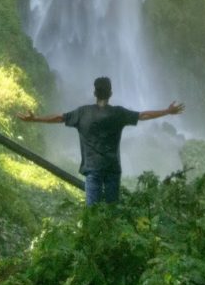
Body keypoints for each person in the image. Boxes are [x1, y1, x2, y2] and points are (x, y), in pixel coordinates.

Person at [18, 76, 184, 205]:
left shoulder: (82, 113)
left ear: (94, 93)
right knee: (111, 213)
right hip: (112, 168)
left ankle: (92, 244)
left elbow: (59, 118)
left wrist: (35, 119)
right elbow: (142, 115)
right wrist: (167, 111)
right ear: (111, 93)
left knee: (93, 213)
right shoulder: (118, 113)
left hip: (92, 170)